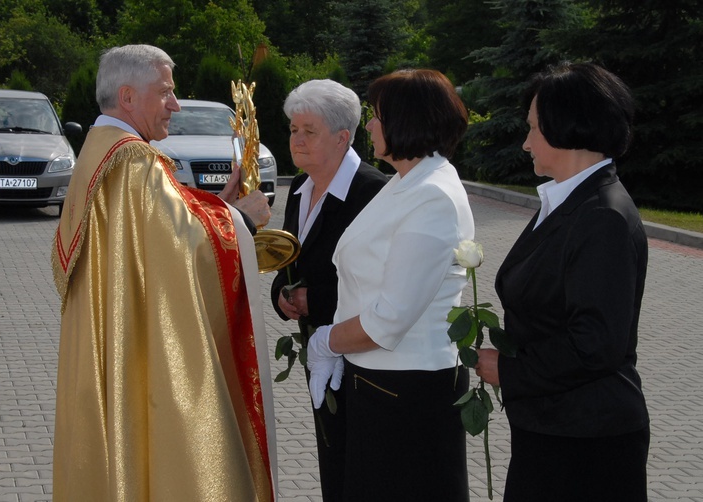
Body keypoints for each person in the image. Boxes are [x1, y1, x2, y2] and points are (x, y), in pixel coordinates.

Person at [50, 44, 276, 501]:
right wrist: (244, 222)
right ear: (128, 97)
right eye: (166, 92)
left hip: (116, 340)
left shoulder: (98, 152)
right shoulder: (133, 161)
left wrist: (221, 209)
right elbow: (180, 251)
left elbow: (158, 237)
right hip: (141, 353)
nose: (175, 104)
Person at [476, 62, 650, 502]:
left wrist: (511, 371)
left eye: (534, 128)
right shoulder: (570, 199)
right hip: (556, 431)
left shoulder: (602, 215)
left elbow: (596, 342)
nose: (526, 142)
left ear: (567, 125)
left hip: (587, 444)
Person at [306, 69, 474, 501]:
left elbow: (389, 320)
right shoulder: (407, 181)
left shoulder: (432, 195)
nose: (371, 125)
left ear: (407, 120)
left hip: (407, 393)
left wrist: (327, 341)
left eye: (377, 115)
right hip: (384, 386)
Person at [270, 79, 388, 501]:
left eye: (309, 131)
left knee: (362, 469)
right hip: (318, 353)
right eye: (292, 130)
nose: (296, 141)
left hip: (366, 359)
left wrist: (313, 300)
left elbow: (383, 284)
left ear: (342, 138)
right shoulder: (300, 189)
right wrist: (282, 299)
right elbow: (288, 267)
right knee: (331, 459)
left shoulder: (373, 192)